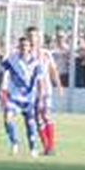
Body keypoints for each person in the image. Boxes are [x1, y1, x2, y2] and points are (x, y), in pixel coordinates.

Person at [0, 36, 44, 156]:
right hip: (14, 98)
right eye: (21, 46)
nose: (23, 48)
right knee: (7, 118)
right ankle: (14, 143)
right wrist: (0, 89)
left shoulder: (36, 63)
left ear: (30, 48)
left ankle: (33, 148)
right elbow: (1, 72)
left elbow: (40, 81)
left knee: (30, 124)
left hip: (29, 99)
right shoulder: (12, 59)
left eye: (26, 46)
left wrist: (40, 98)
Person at [26, 26, 65, 155]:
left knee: (46, 115)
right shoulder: (24, 54)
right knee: (37, 119)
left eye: (34, 36)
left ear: (38, 38)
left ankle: (51, 146)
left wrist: (58, 85)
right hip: (31, 91)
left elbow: (53, 70)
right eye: (30, 36)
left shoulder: (45, 53)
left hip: (45, 90)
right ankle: (46, 146)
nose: (32, 39)